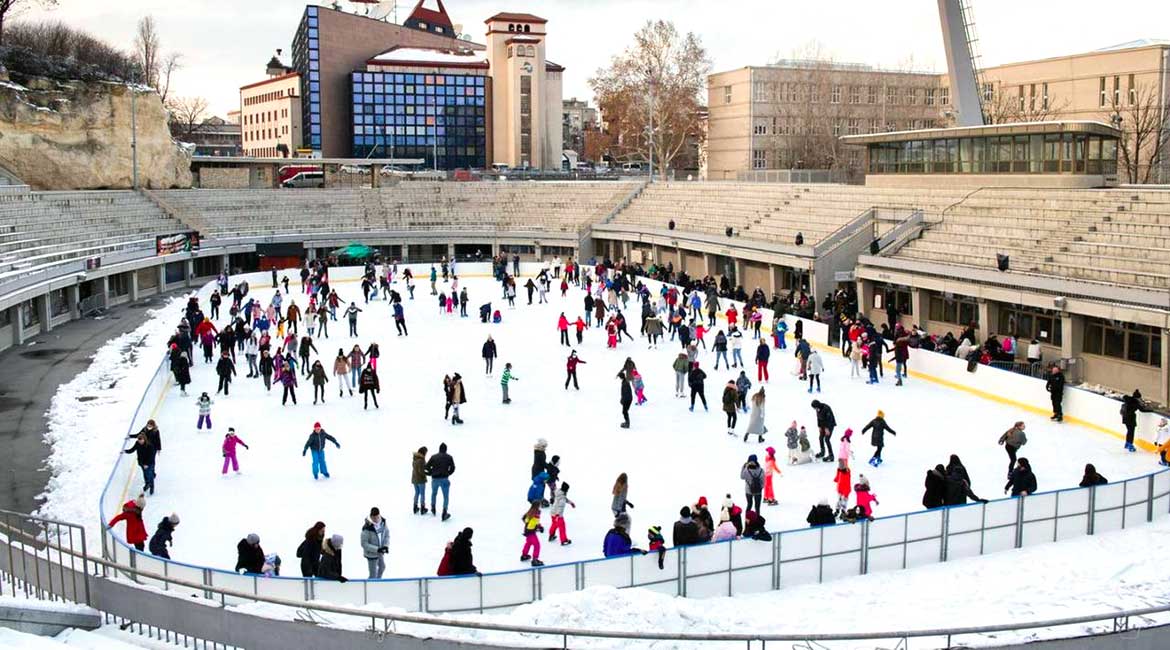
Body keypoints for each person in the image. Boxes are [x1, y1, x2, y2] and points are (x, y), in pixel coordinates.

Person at [425, 443, 455, 521]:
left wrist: (432, 472)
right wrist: (448, 473)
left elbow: (427, 466)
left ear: (439, 449)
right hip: (444, 478)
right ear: (446, 449)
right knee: (445, 496)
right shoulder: (449, 457)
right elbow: (453, 468)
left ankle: (433, 507)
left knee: (434, 493)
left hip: (435, 479)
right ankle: (444, 511)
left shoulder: (434, 457)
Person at [361, 508, 390, 579]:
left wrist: (386, 546)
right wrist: (377, 549)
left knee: (382, 567)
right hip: (371, 554)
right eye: (374, 518)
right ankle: (371, 585)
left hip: (380, 552)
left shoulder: (383, 523)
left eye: (377, 517)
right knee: (373, 574)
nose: (376, 519)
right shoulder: (367, 528)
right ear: (371, 517)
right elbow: (364, 544)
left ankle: (377, 582)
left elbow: (387, 535)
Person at [520, 502, 544, 566]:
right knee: (537, 545)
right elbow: (535, 522)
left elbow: (525, 519)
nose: (540, 506)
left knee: (528, 543)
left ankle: (524, 555)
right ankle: (535, 560)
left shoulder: (530, 511)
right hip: (531, 532)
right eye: (540, 505)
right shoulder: (536, 513)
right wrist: (539, 527)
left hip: (527, 531)